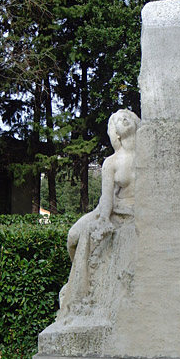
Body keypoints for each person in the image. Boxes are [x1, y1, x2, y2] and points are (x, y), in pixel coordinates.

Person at [59, 109, 140, 315]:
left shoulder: (148, 158)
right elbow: (107, 197)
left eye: (128, 116)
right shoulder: (111, 163)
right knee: (74, 236)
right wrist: (103, 218)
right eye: (119, 119)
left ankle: (90, 291)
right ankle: (77, 284)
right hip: (113, 209)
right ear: (116, 133)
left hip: (138, 212)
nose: (125, 118)